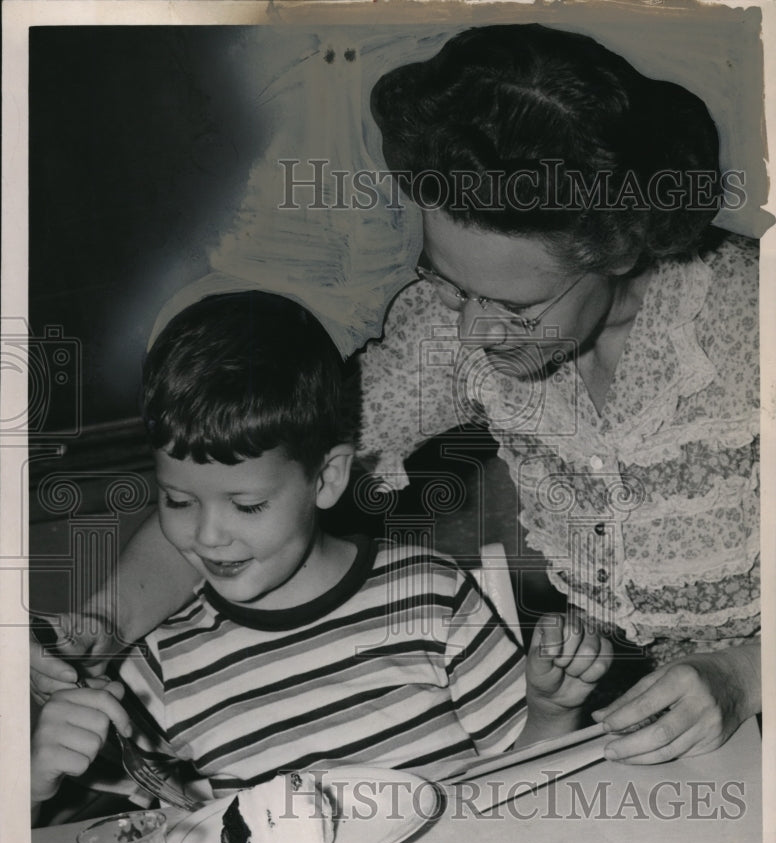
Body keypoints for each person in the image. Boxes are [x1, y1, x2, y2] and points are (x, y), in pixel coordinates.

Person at [31, 22, 761, 767]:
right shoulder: (447, 331)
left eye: (516, 309)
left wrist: (742, 674)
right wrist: (99, 625)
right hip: (610, 736)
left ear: (623, 246)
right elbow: (253, 475)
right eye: (452, 283)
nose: (475, 333)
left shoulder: (751, 323)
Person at [31, 289, 612, 817]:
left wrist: (552, 713)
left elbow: (527, 792)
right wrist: (37, 779)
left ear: (328, 478)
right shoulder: (158, 667)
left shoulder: (429, 596)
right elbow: (127, 840)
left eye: (248, 505)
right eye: (178, 501)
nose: (207, 537)